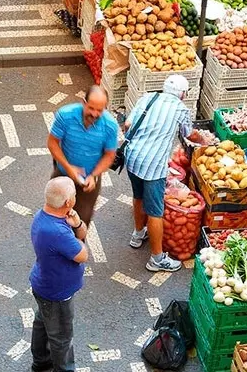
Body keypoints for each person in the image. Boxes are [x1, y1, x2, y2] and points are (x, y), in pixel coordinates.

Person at [120, 73, 193, 273]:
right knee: (155, 212)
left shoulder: (148, 97)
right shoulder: (181, 108)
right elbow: (188, 134)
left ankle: (137, 235)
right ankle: (157, 259)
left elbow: (127, 125)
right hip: (153, 166)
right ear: (183, 94)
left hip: (133, 157)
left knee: (138, 196)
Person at [30, 176, 90, 372]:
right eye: (73, 194)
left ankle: (41, 359)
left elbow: (80, 233)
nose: (75, 197)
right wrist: (77, 233)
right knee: (62, 335)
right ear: (68, 202)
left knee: (43, 322)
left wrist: (77, 224)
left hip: (43, 284)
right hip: (57, 292)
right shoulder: (58, 232)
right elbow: (83, 255)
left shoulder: (42, 217)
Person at [47, 85, 120, 225]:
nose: (95, 114)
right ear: (83, 102)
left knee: (80, 222)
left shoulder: (110, 125)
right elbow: (52, 143)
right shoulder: (65, 115)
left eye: (100, 110)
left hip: (88, 182)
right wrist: (69, 169)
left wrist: (94, 175)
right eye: (91, 108)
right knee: (54, 217)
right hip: (62, 174)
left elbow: (109, 155)